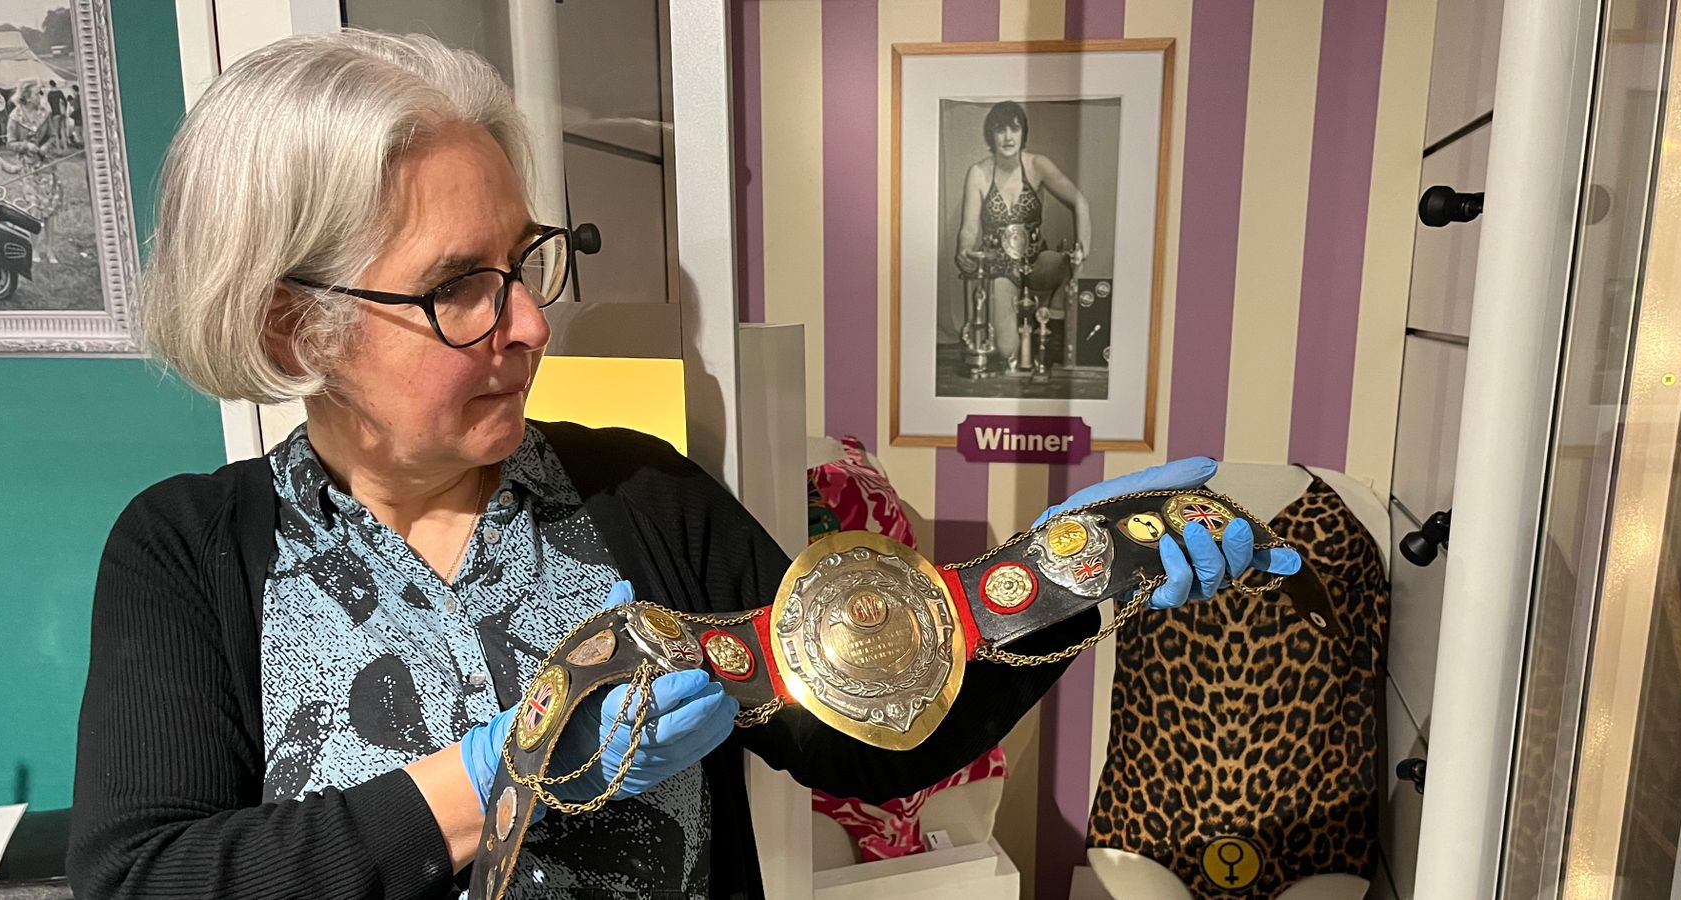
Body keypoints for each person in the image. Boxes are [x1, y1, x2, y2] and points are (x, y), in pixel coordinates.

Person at [68, 30, 1279, 899]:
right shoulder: (191, 553)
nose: (532, 323)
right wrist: (502, 773)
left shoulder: (637, 497)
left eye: (524, 261)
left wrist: (1062, 581)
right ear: (297, 328)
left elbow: (859, 733)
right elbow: (143, 876)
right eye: (457, 289)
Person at [954, 99, 1094, 371]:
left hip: (1036, 261)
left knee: (1070, 266)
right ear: (991, 135)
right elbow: (969, 227)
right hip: (999, 269)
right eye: (1000, 130)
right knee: (1008, 351)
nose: (1008, 137)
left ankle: (1049, 317)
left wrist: (1083, 248)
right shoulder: (978, 173)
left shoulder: (1037, 165)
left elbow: (1080, 202)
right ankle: (1017, 340)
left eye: (1014, 129)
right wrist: (964, 249)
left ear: (1023, 133)